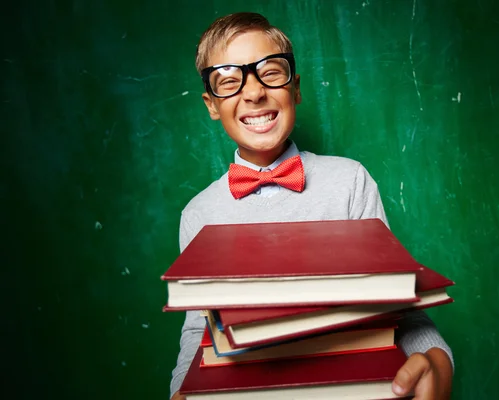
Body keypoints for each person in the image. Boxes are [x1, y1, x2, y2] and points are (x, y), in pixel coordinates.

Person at [170, 12, 453, 400]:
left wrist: (438, 361)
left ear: (295, 88)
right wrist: (181, 390)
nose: (253, 93)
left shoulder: (350, 182)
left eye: (270, 72)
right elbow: (195, 332)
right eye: (230, 81)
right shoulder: (198, 214)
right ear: (211, 105)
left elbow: (396, 306)